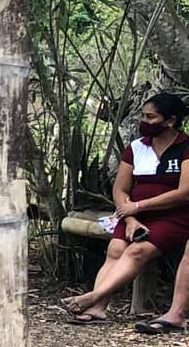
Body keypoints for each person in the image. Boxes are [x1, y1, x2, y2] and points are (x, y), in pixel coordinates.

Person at [60, 92, 189, 325]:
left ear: (170, 121)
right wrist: (130, 218)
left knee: (136, 251)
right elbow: (120, 189)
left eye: (151, 117)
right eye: (143, 116)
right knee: (116, 249)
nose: (144, 121)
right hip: (133, 216)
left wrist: (139, 206)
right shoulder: (136, 148)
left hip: (173, 217)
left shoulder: (185, 147)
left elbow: (184, 192)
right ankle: (98, 307)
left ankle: (93, 297)